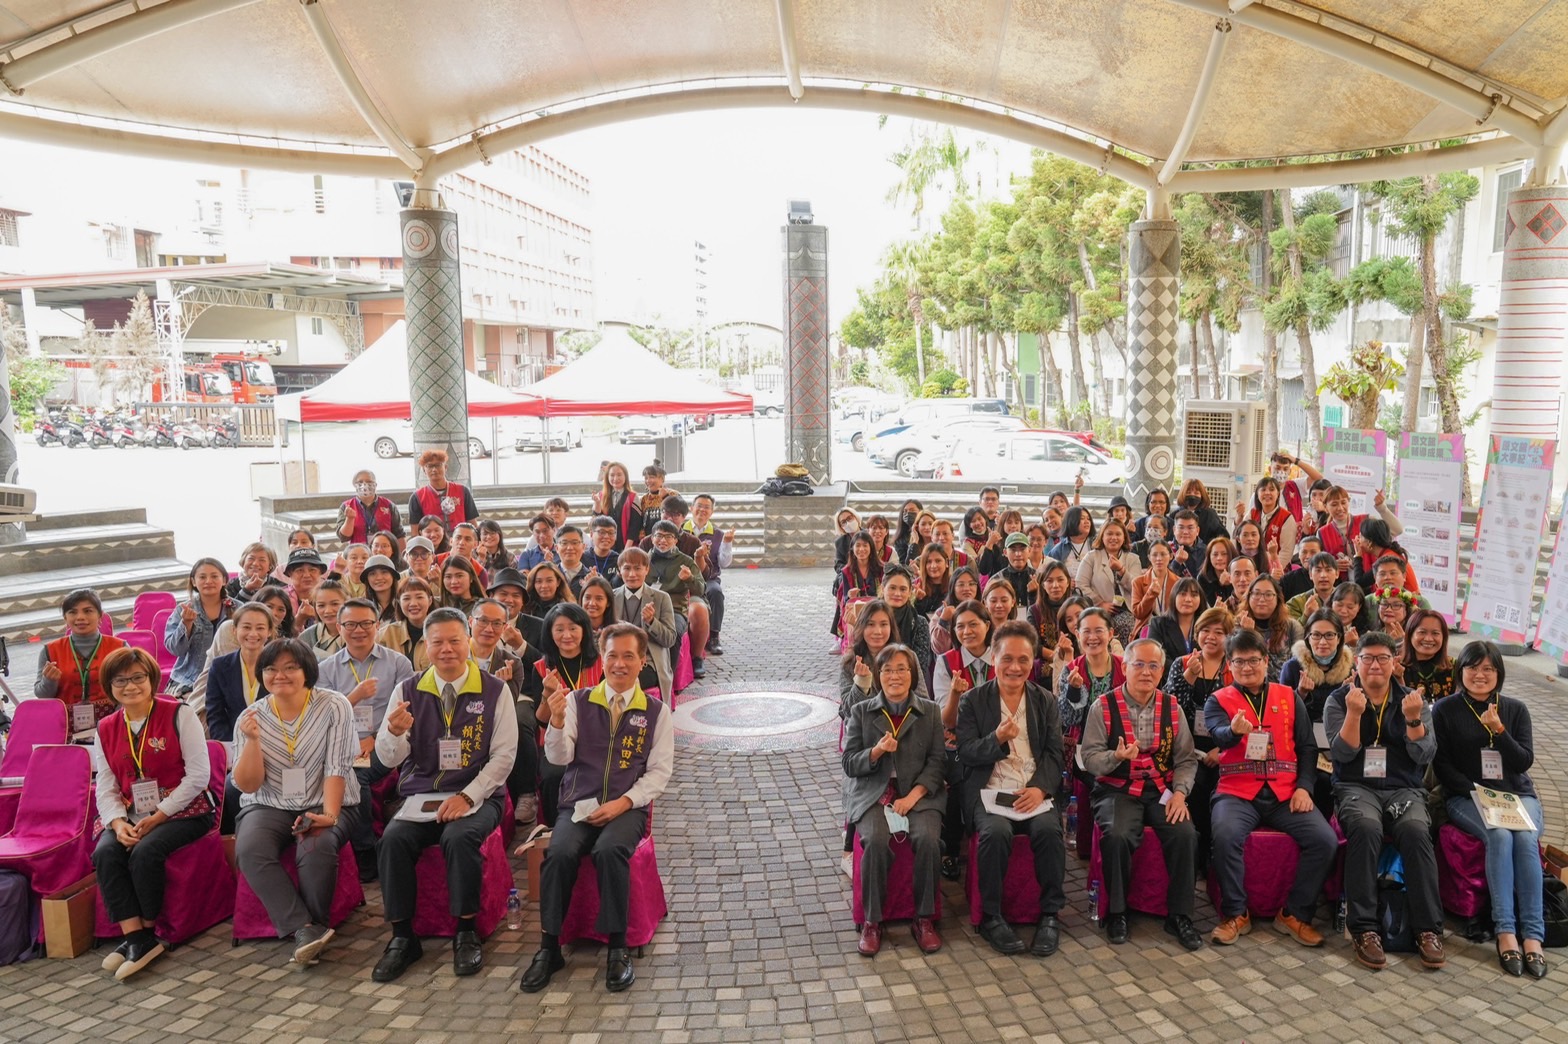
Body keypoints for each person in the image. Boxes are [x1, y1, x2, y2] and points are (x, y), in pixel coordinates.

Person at [519, 623, 674, 993]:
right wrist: (556, 722)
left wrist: (623, 803)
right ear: (602, 660)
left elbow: (659, 774)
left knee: (610, 851)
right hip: (579, 804)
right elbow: (559, 757)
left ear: (642, 662)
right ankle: (549, 947)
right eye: (612, 656)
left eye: (628, 656)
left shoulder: (656, 712)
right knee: (558, 853)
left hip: (627, 807)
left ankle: (617, 948)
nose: (619, 664)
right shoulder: (577, 701)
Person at [372, 608, 516, 982]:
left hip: (480, 795)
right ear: (426, 645)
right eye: (438, 642)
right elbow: (389, 758)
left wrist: (468, 798)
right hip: (421, 796)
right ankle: (403, 938)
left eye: (455, 640)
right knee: (392, 840)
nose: (447, 649)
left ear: (469, 640)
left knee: (460, 835)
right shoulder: (408, 690)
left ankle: (466, 931)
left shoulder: (494, 690)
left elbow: (504, 756)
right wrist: (394, 733)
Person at [232, 637, 360, 970]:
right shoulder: (250, 716)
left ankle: (311, 929)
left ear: (307, 671)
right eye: (271, 669)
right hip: (269, 803)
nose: (280, 675)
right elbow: (247, 784)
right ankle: (306, 929)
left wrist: (329, 816)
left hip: (326, 800)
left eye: (291, 668)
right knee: (250, 849)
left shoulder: (334, 705)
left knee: (315, 847)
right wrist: (253, 741)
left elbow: (337, 766)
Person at [1203, 629, 1336, 947]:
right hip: (1237, 790)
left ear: (1266, 660)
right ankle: (1236, 913)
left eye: (1253, 660)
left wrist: (1304, 787)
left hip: (1285, 792)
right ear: (1229, 665)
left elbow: (1306, 747)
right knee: (1224, 835)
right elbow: (1218, 733)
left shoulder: (1289, 697)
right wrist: (1233, 731)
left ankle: (1294, 914)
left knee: (1325, 840)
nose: (1246, 667)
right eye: (1239, 661)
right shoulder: (1218, 700)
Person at [1323, 631, 1443, 971]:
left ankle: (1428, 930)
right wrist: (1353, 714)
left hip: (1404, 789)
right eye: (1367, 658)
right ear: (1356, 663)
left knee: (1418, 832)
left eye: (1383, 659)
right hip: (1355, 787)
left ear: (1394, 664)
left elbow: (1425, 754)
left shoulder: (1412, 700)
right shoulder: (1340, 699)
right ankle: (1364, 929)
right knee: (1364, 827)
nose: (1375, 665)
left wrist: (1414, 719)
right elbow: (1342, 754)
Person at [92, 647, 214, 981]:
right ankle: (134, 935)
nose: (130, 686)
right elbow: (105, 784)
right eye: (120, 680)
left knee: (146, 851)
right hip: (132, 813)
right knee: (104, 852)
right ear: (110, 685)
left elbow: (198, 777)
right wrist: (117, 823)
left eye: (137, 678)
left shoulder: (179, 713)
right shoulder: (105, 727)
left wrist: (159, 815)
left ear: (151, 678)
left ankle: (144, 934)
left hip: (185, 809)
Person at [1433, 642, 1548, 979]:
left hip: (1517, 795)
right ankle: (1505, 931)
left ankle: (1534, 936)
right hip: (1468, 797)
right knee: (1498, 835)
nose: (1480, 675)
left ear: (1499, 673)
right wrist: (1480, 794)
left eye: (1488, 669)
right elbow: (1443, 767)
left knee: (1526, 838)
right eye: (1473, 668)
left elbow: (1523, 761)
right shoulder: (1445, 710)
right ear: (1461, 671)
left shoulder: (1515, 709)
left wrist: (1500, 730)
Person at [1078, 638, 1202, 949]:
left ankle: (1180, 915)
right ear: (1124, 666)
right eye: (1138, 664)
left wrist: (1180, 794)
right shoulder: (1102, 706)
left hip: (1161, 788)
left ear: (1162, 671)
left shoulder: (1171, 706)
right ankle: (1117, 912)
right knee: (1118, 835)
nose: (1146, 672)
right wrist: (1116, 758)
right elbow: (1090, 759)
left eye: (1153, 666)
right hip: (1116, 787)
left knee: (1185, 833)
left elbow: (1186, 758)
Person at [956, 621, 1068, 958]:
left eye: (1023, 659)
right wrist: (997, 740)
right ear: (993, 657)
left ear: (1033, 660)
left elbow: (1053, 753)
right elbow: (966, 752)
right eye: (1007, 658)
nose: (1015, 667)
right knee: (995, 834)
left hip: (1032, 790)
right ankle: (991, 917)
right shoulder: (973, 701)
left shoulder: (1044, 700)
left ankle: (1050, 915)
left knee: (1049, 831)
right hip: (990, 791)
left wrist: (1040, 789)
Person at [842, 644, 946, 957]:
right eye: (887, 669)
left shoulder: (929, 711)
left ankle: (924, 918)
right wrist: (875, 753)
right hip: (875, 793)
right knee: (874, 839)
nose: (895, 676)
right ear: (877, 674)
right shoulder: (862, 711)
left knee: (928, 838)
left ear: (913, 674)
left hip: (918, 793)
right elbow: (849, 762)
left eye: (902, 669)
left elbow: (938, 761)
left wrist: (915, 795)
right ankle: (872, 921)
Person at [318, 598, 414, 881]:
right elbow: (324, 716)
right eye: (350, 624)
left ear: (378, 625)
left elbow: (407, 709)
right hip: (342, 744)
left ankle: (365, 850)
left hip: (388, 741)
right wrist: (354, 697)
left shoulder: (397, 663)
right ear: (339, 627)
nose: (358, 630)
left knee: (354, 775)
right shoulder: (327, 668)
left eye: (365, 623)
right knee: (344, 768)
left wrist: (375, 736)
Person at [1162, 605, 1233, 871]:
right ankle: (1193, 856)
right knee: (1195, 787)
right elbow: (1170, 708)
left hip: (1221, 747)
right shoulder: (1181, 663)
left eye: (1219, 632)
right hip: (1186, 746)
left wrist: (1221, 749)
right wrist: (1189, 676)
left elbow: (1240, 712)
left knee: (1216, 790)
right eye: (1205, 630)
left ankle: (1211, 858)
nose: (1211, 637)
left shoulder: (1232, 667)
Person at [468, 599, 540, 827]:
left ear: (505, 628)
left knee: (520, 723)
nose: (489, 629)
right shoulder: (454, 656)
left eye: (497, 623)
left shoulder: (512, 663)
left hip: (493, 728)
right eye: (483, 621)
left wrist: (499, 689)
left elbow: (505, 713)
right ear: (470, 621)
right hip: (457, 728)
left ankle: (525, 795)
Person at [1279, 611, 1354, 815]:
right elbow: (1280, 714)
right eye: (1316, 635)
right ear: (1307, 638)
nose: (1323, 642)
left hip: (1339, 742)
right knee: (1320, 779)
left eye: (1329, 635)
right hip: (1302, 743)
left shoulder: (1352, 668)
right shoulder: (1293, 667)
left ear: (1339, 638)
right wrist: (1300, 694)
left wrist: (1349, 699)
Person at [36, 588, 126, 728]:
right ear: (65, 617)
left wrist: (115, 720)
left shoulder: (120, 648)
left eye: (88, 611)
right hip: (63, 724)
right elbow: (42, 696)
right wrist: (49, 681)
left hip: (113, 721)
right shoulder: (50, 650)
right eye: (72, 612)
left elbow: (130, 687)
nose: (80, 617)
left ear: (100, 615)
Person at [645, 521, 711, 679]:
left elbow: (701, 589)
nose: (663, 540)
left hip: (674, 609)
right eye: (659, 536)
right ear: (652, 538)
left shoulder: (686, 561)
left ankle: (668, 678)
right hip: (645, 607)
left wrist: (689, 579)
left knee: (672, 633)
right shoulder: (643, 559)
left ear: (676, 540)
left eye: (669, 537)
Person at [164, 558, 235, 697]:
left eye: (214, 576)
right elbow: (175, 649)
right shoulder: (183, 610)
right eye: (202, 577)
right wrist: (186, 624)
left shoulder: (238, 609)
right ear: (194, 582)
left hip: (230, 678)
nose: (208, 581)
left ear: (225, 580)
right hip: (188, 680)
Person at [613, 547, 677, 696]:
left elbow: (670, 640)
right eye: (627, 568)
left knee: (626, 682)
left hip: (649, 661)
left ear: (647, 569)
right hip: (617, 659)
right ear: (619, 570)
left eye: (638, 568)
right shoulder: (611, 596)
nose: (632, 574)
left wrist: (651, 622)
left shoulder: (662, 598)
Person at [683, 493, 733, 656]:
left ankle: (714, 637)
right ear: (691, 508)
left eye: (707, 507)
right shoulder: (681, 529)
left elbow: (724, 563)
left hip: (708, 579)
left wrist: (727, 543)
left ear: (712, 512)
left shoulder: (718, 534)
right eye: (699, 506)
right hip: (684, 578)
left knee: (716, 592)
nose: (702, 510)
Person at [1316, 485, 1403, 579]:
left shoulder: (1365, 521)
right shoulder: (1321, 533)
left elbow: (1397, 530)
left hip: (1370, 584)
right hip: (1339, 589)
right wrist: (1331, 564)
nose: (1340, 508)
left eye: (1343, 502)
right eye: (1334, 504)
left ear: (1349, 502)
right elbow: (1317, 564)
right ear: (1325, 507)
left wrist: (1382, 508)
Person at [840, 600, 902, 718]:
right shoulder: (849, 662)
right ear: (861, 627)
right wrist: (861, 684)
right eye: (870, 624)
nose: (877, 631)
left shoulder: (906, 658)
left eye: (883, 624)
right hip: (864, 732)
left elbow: (922, 699)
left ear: (891, 627)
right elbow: (848, 712)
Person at [1235, 575, 1300, 680]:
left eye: (1268, 595)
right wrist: (1248, 635)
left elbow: (1299, 663)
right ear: (1249, 596)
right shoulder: (1237, 626)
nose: (1261, 599)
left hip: (1284, 688)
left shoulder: (1292, 626)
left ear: (1278, 598)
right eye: (1256, 594)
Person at [881, 565, 933, 681]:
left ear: (910, 592)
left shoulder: (919, 623)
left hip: (910, 684)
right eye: (892, 588)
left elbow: (920, 666)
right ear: (883, 588)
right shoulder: (872, 621)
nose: (897, 594)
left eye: (903, 589)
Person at [376, 576, 435, 672]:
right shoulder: (387, 633)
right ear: (399, 603)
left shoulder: (440, 633)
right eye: (406, 598)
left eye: (419, 597)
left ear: (430, 601)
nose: (413, 603)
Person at [408, 449, 478, 530]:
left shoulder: (463, 491)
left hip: (459, 541)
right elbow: (415, 530)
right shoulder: (417, 497)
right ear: (424, 470)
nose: (434, 469)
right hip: (432, 541)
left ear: (445, 467)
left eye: (438, 465)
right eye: (429, 466)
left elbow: (473, 523)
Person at [1234, 476, 1298, 564]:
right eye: (1263, 490)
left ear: (1278, 493)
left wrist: (1273, 571)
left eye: (1272, 490)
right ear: (1257, 494)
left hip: (1276, 569)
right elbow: (1238, 537)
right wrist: (1239, 517)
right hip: (1251, 565)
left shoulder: (1286, 518)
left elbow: (1286, 553)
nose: (1267, 493)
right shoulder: (1252, 513)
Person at [337, 470, 404, 548]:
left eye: (369, 481)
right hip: (359, 555)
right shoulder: (346, 506)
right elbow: (344, 537)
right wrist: (350, 519)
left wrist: (401, 557)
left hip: (384, 553)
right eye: (360, 481)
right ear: (355, 485)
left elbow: (399, 535)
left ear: (375, 484)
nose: (364, 485)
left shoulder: (388, 505)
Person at [1352, 519, 1420, 596]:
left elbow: (1360, 582)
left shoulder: (1387, 560)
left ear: (1369, 542)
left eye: (1360, 537)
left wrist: (1358, 556)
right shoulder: (1388, 553)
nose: (1358, 541)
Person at [927, 566, 981, 657]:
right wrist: (944, 621)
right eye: (961, 584)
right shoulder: (941, 613)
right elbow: (939, 649)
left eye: (971, 584)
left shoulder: (983, 611)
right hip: (950, 665)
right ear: (953, 588)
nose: (967, 588)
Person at [1398, 609, 1454, 695]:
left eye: (1435, 633)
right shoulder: (1397, 667)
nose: (1428, 639)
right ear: (1410, 635)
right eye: (1422, 632)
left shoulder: (1454, 667)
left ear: (1444, 637)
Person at [1130, 539, 1178, 638]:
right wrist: (1150, 594)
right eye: (1154, 555)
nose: (1159, 558)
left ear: (1171, 556)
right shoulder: (1138, 582)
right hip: (1147, 628)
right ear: (1149, 557)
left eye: (1163, 554)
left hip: (1171, 629)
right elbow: (1138, 614)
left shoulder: (1179, 582)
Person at [594, 462, 644, 550]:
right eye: (612, 475)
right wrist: (597, 503)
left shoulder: (632, 497)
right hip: (606, 544)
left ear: (625, 476)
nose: (615, 478)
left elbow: (635, 525)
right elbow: (597, 519)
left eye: (619, 475)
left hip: (625, 544)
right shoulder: (601, 496)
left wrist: (627, 548)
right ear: (607, 477)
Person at [1027, 561, 1074, 651]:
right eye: (1049, 581)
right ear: (1043, 585)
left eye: (1060, 580)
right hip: (1044, 661)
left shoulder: (1076, 608)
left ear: (1068, 582)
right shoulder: (1034, 611)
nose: (1055, 585)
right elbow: (1032, 644)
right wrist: (1054, 657)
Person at [298, 580, 347, 660]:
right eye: (321, 605)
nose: (328, 610)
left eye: (335, 604)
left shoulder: (358, 634)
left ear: (346, 603)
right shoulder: (306, 637)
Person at [283, 547, 328, 630]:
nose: (307, 575)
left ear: (320, 572)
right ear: (290, 573)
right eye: (300, 570)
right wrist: (299, 621)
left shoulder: (330, 595)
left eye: (312, 570)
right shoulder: (281, 599)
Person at [1286, 552, 1340, 621]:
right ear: (1310, 574)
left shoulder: (1346, 600)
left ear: (1337, 573)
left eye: (1328, 570)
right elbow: (1289, 630)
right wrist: (1306, 616)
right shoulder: (1295, 603)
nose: (1323, 575)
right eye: (1318, 570)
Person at [1175, 478, 1227, 544]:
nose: (1192, 495)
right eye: (1188, 492)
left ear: (1202, 495)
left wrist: (1209, 546)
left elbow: (1223, 536)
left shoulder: (1210, 514)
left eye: (1196, 493)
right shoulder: (1175, 514)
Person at [994, 533, 1036, 608]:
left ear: (1029, 551)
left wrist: (1035, 594)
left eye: (1022, 549)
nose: (1018, 554)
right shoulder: (997, 579)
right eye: (1013, 550)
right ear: (1005, 552)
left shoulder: (1038, 577)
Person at [637, 463, 677, 540]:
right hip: (649, 540)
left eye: (652, 477)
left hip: (668, 539)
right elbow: (640, 522)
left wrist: (665, 497)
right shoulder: (643, 499)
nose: (648, 481)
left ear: (662, 479)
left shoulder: (673, 495)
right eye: (646, 478)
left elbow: (678, 514)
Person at [584, 516, 626, 588]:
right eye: (601, 532)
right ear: (591, 534)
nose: (606, 536)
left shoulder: (620, 560)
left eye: (611, 533)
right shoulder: (582, 558)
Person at [1166, 509, 1207, 581]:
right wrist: (1176, 562)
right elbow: (1163, 580)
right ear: (1174, 530)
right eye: (1181, 527)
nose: (1185, 532)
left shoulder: (1206, 552)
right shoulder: (1165, 549)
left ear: (1197, 531)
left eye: (1190, 528)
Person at [1327, 581, 1372, 646]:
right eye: (1339, 605)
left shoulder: (1367, 635)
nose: (1344, 611)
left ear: (1359, 607)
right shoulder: (1320, 626)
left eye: (1350, 607)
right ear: (1332, 603)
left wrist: (1356, 645)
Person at [1197, 537, 1236, 608]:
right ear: (1209, 557)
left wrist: (1230, 584)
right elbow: (1213, 606)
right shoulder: (1203, 578)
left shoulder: (1238, 574)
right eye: (1215, 554)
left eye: (1224, 554)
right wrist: (1220, 585)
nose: (1219, 558)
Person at [913, 545, 952, 616]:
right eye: (929, 561)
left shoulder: (955, 585)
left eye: (938, 561)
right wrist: (918, 600)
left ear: (946, 563)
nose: (933, 566)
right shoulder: (916, 586)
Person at [554, 525, 590, 600]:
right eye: (564, 543)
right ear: (556, 548)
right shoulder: (551, 575)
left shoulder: (592, 577)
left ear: (583, 547)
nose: (570, 548)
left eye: (575, 543)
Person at [362, 554, 401, 622]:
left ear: (393, 576)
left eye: (384, 572)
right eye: (372, 574)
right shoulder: (361, 606)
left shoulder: (403, 603)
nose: (379, 578)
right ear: (367, 579)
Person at [890, 499, 924, 564]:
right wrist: (914, 544)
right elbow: (906, 565)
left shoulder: (926, 534)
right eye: (905, 511)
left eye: (912, 510)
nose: (908, 513)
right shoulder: (900, 540)